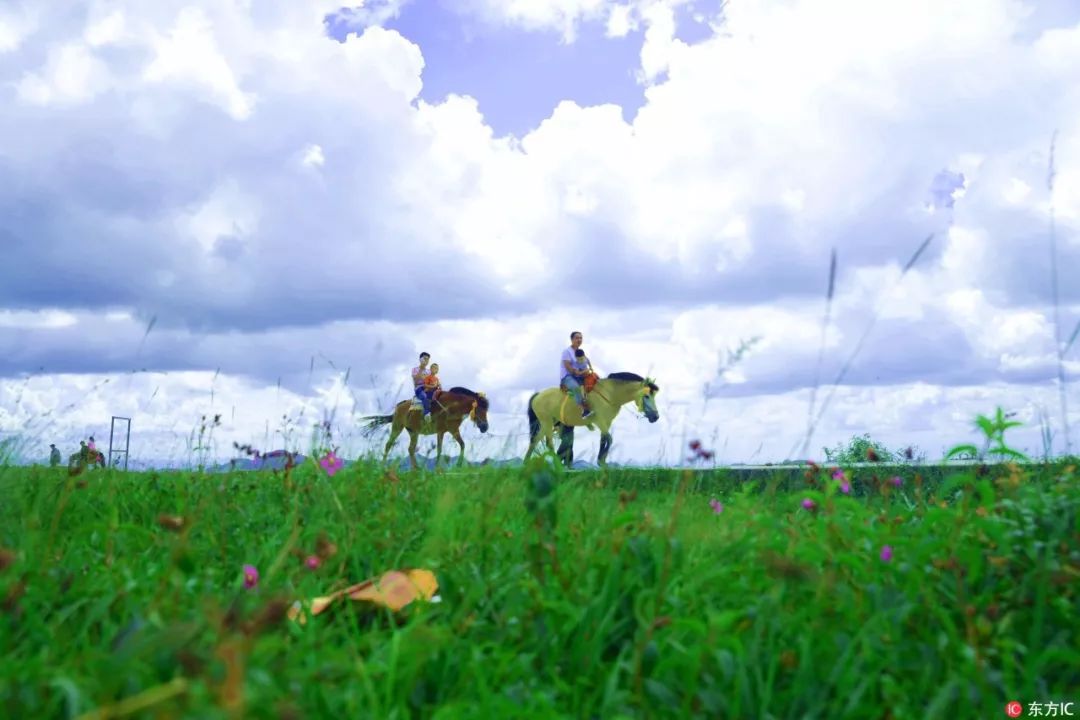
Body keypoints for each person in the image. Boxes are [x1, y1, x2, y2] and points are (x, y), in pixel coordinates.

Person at [561, 331, 592, 418]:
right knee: (576, 388)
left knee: (594, 381)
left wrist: (588, 371)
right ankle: (583, 410)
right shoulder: (566, 352)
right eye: (577, 338)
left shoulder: (580, 351)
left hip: (579, 375)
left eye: (580, 338)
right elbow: (568, 367)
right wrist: (578, 372)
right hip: (568, 376)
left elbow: (586, 362)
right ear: (571, 339)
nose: (579, 340)